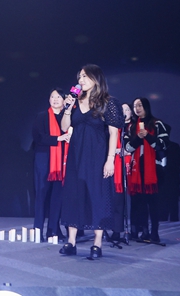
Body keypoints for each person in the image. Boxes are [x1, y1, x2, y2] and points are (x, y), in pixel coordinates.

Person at [59, 64, 123, 259]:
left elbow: (113, 134)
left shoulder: (108, 103)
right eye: (80, 77)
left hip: (97, 157)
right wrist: (67, 109)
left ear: (96, 78)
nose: (81, 80)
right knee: (74, 195)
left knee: (98, 197)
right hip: (76, 157)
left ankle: (97, 244)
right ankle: (71, 242)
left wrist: (110, 160)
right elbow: (64, 128)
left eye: (85, 76)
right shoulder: (75, 101)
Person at [125, 97, 169, 243]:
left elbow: (163, 145)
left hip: (154, 169)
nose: (137, 108)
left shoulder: (157, 123)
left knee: (154, 203)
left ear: (146, 106)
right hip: (137, 169)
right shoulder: (132, 126)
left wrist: (148, 136)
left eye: (140, 105)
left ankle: (154, 233)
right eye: (135, 106)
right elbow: (128, 148)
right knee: (139, 202)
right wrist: (138, 138)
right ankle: (142, 232)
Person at [32, 88, 71, 241]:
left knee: (57, 197)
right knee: (41, 196)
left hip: (62, 162)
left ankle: (53, 230)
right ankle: (37, 231)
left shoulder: (67, 117)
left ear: (64, 100)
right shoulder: (42, 116)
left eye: (58, 97)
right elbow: (38, 137)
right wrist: (58, 139)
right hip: (44, 160)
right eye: (52, 96)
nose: (55, 99)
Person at [109, 102, 133, 242]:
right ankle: (116, 231)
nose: (124, 112)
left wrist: (127, 150)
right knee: (116, 201)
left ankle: (135, 230)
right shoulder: (113, 128)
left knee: (129, 202)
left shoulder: (134, 127)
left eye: (127, 110)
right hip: (115, 167)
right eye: (121, 110)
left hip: (131, 168)